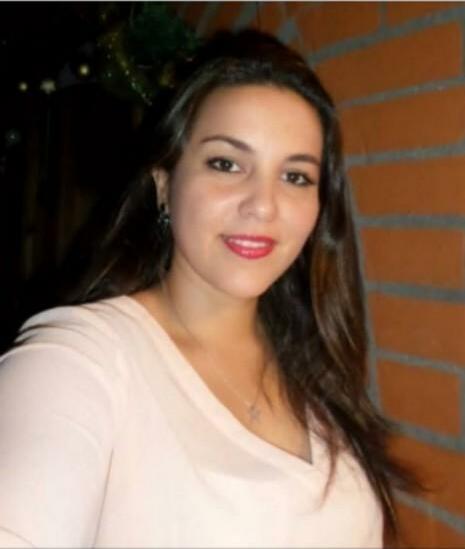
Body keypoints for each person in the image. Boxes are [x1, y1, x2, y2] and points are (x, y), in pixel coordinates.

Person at [0, 29, 415, 548]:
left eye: (296, 176)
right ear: (164, 184)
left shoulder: (314, 367)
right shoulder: (77, 362)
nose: (262, 205)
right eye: (226, 164)